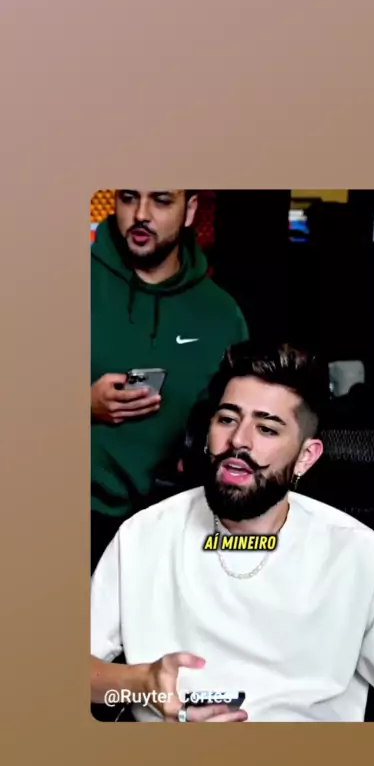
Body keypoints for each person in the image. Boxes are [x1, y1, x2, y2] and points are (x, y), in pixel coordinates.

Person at [91, 342, 374, 722]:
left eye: (266, 428)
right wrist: (143, 682)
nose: (238, 441)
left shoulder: (362, 556)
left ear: (306, 456)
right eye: (227, 419)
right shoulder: (143, 535)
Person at [91, 189, 249, 572]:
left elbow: (239, 417)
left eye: (161, 200)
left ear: (190, 210)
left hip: (171, 527)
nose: (141, 214)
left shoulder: (222, 314)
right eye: (129, 198)